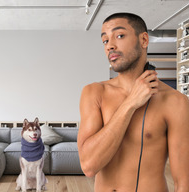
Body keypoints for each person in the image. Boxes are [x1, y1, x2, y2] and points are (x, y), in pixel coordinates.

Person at [77, 12, 189, 192]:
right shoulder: (94, 93)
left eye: (119, 36)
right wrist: (130, 103)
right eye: (105, 41)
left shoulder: (175, 102)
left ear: (144, 40)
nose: (110, 46)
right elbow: (88, 166)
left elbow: (184, 183)